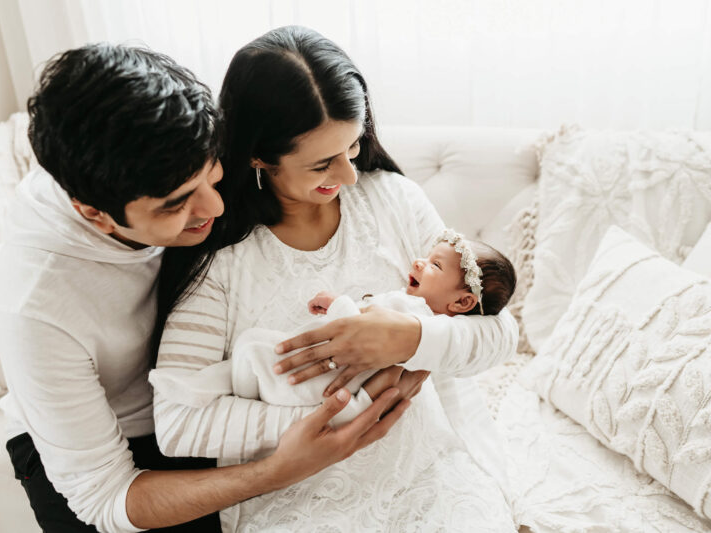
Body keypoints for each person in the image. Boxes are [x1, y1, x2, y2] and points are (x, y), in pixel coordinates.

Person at [0, 43, 407, 533]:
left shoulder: (170, 136)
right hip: (112, 449)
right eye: (176, 204)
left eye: (213, 174)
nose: (215, 208)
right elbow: (103, 496)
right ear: (94, 214)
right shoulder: (38, 306)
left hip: (207, 402)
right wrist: (278, 471)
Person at [151, 26, 520, 532]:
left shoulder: (392, 200)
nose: (349, 175)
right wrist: (345, 415)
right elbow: (178, 425)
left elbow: (500, 334)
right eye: (322, 163)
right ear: (258, 155)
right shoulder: (219, 263)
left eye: (353, 146)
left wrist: (409, 337)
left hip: (428, 470)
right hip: (299, 494)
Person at [150, 229, 516, 426]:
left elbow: (356, 329)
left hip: (326, 382)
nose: (419, 262)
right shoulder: (415, 308)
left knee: (252, 348)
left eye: (434, 265)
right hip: (334, 386)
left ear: (463, 303)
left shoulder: (414, 310)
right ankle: (210, 386)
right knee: (253, 351)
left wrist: (338, 304)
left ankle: (213, 387)